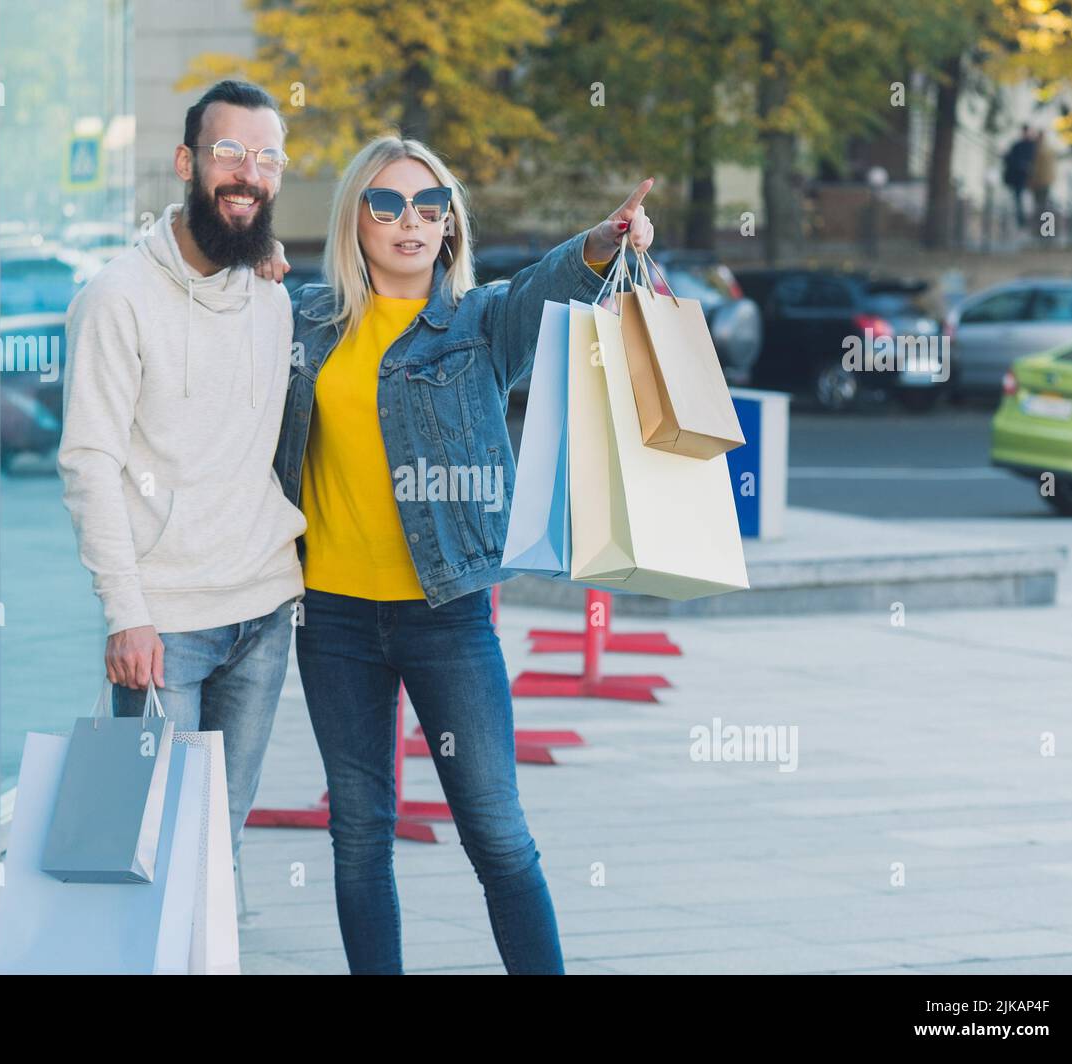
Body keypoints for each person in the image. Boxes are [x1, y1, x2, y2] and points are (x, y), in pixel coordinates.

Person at [262, 135, 655, 974]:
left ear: (449, 226)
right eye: (388, 204)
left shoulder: (480, 325)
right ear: (354, 221)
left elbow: (553, 287)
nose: (411, 222)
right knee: (360, 834)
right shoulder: (303, 321)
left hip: (446, 617)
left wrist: (602, 240)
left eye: (430, 206)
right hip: (328, 618)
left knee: (496, 832)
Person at [57, 80, 304, 867]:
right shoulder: (115, 297)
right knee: (145, 851)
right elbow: (88, 461)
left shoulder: (271, 296)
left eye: (266, 158)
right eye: (228, 152)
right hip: (164, 629)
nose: (247, 173)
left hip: (263, 612)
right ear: (186, 162)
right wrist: (125, 613)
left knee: (217, 848)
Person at [1003, 125, 1035, 228]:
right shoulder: (1017, 145)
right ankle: (1021, 222)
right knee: (1019, 201)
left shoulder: (1032, 146)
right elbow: (1010, 159)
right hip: (1018, 179)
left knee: (1028, 202)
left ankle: (1027, 222)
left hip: (1027, 179)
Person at [1028, 128, 1056, 228]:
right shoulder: (1050, 149)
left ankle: (1041, 227)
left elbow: (1036, 168)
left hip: (1040, 181)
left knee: (1039, 205)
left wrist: (1032, 180)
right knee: (1044, 204)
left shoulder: (1039, 150)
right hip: (1047, 181)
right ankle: (1045, 228)